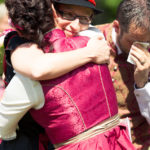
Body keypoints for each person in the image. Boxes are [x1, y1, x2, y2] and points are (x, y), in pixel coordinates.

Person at [0, 0, 136, 150]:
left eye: (85, 18)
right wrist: (90, 53)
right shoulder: (93, 45)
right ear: (52, 11)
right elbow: (37, 69)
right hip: (30, 140)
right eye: (69, 14)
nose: (76, 26)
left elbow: (3, 124)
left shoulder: (92, 41)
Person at [96, 0, 150, 149]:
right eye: (133, 42)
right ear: (117, 27)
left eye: (147, 42)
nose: (141, 49)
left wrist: (143, 84)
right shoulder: (90, 39)